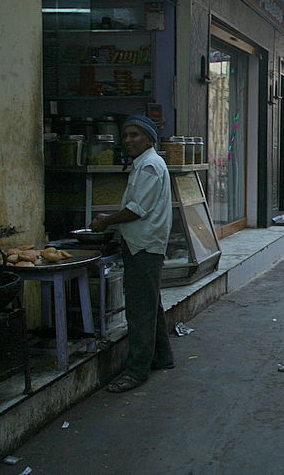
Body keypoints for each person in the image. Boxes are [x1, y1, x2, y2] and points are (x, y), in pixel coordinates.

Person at [90, 115, 174, 393]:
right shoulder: (143, 164)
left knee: (140, 310)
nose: (128, 140)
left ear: (149, 139)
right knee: (150, 304)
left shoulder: (149, 165)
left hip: (145, 247)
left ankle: (136, 371)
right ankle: (162, 357)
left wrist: (106, 221)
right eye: (125, 135)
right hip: (140, 243)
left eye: (134, 135)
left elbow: (137, 209)